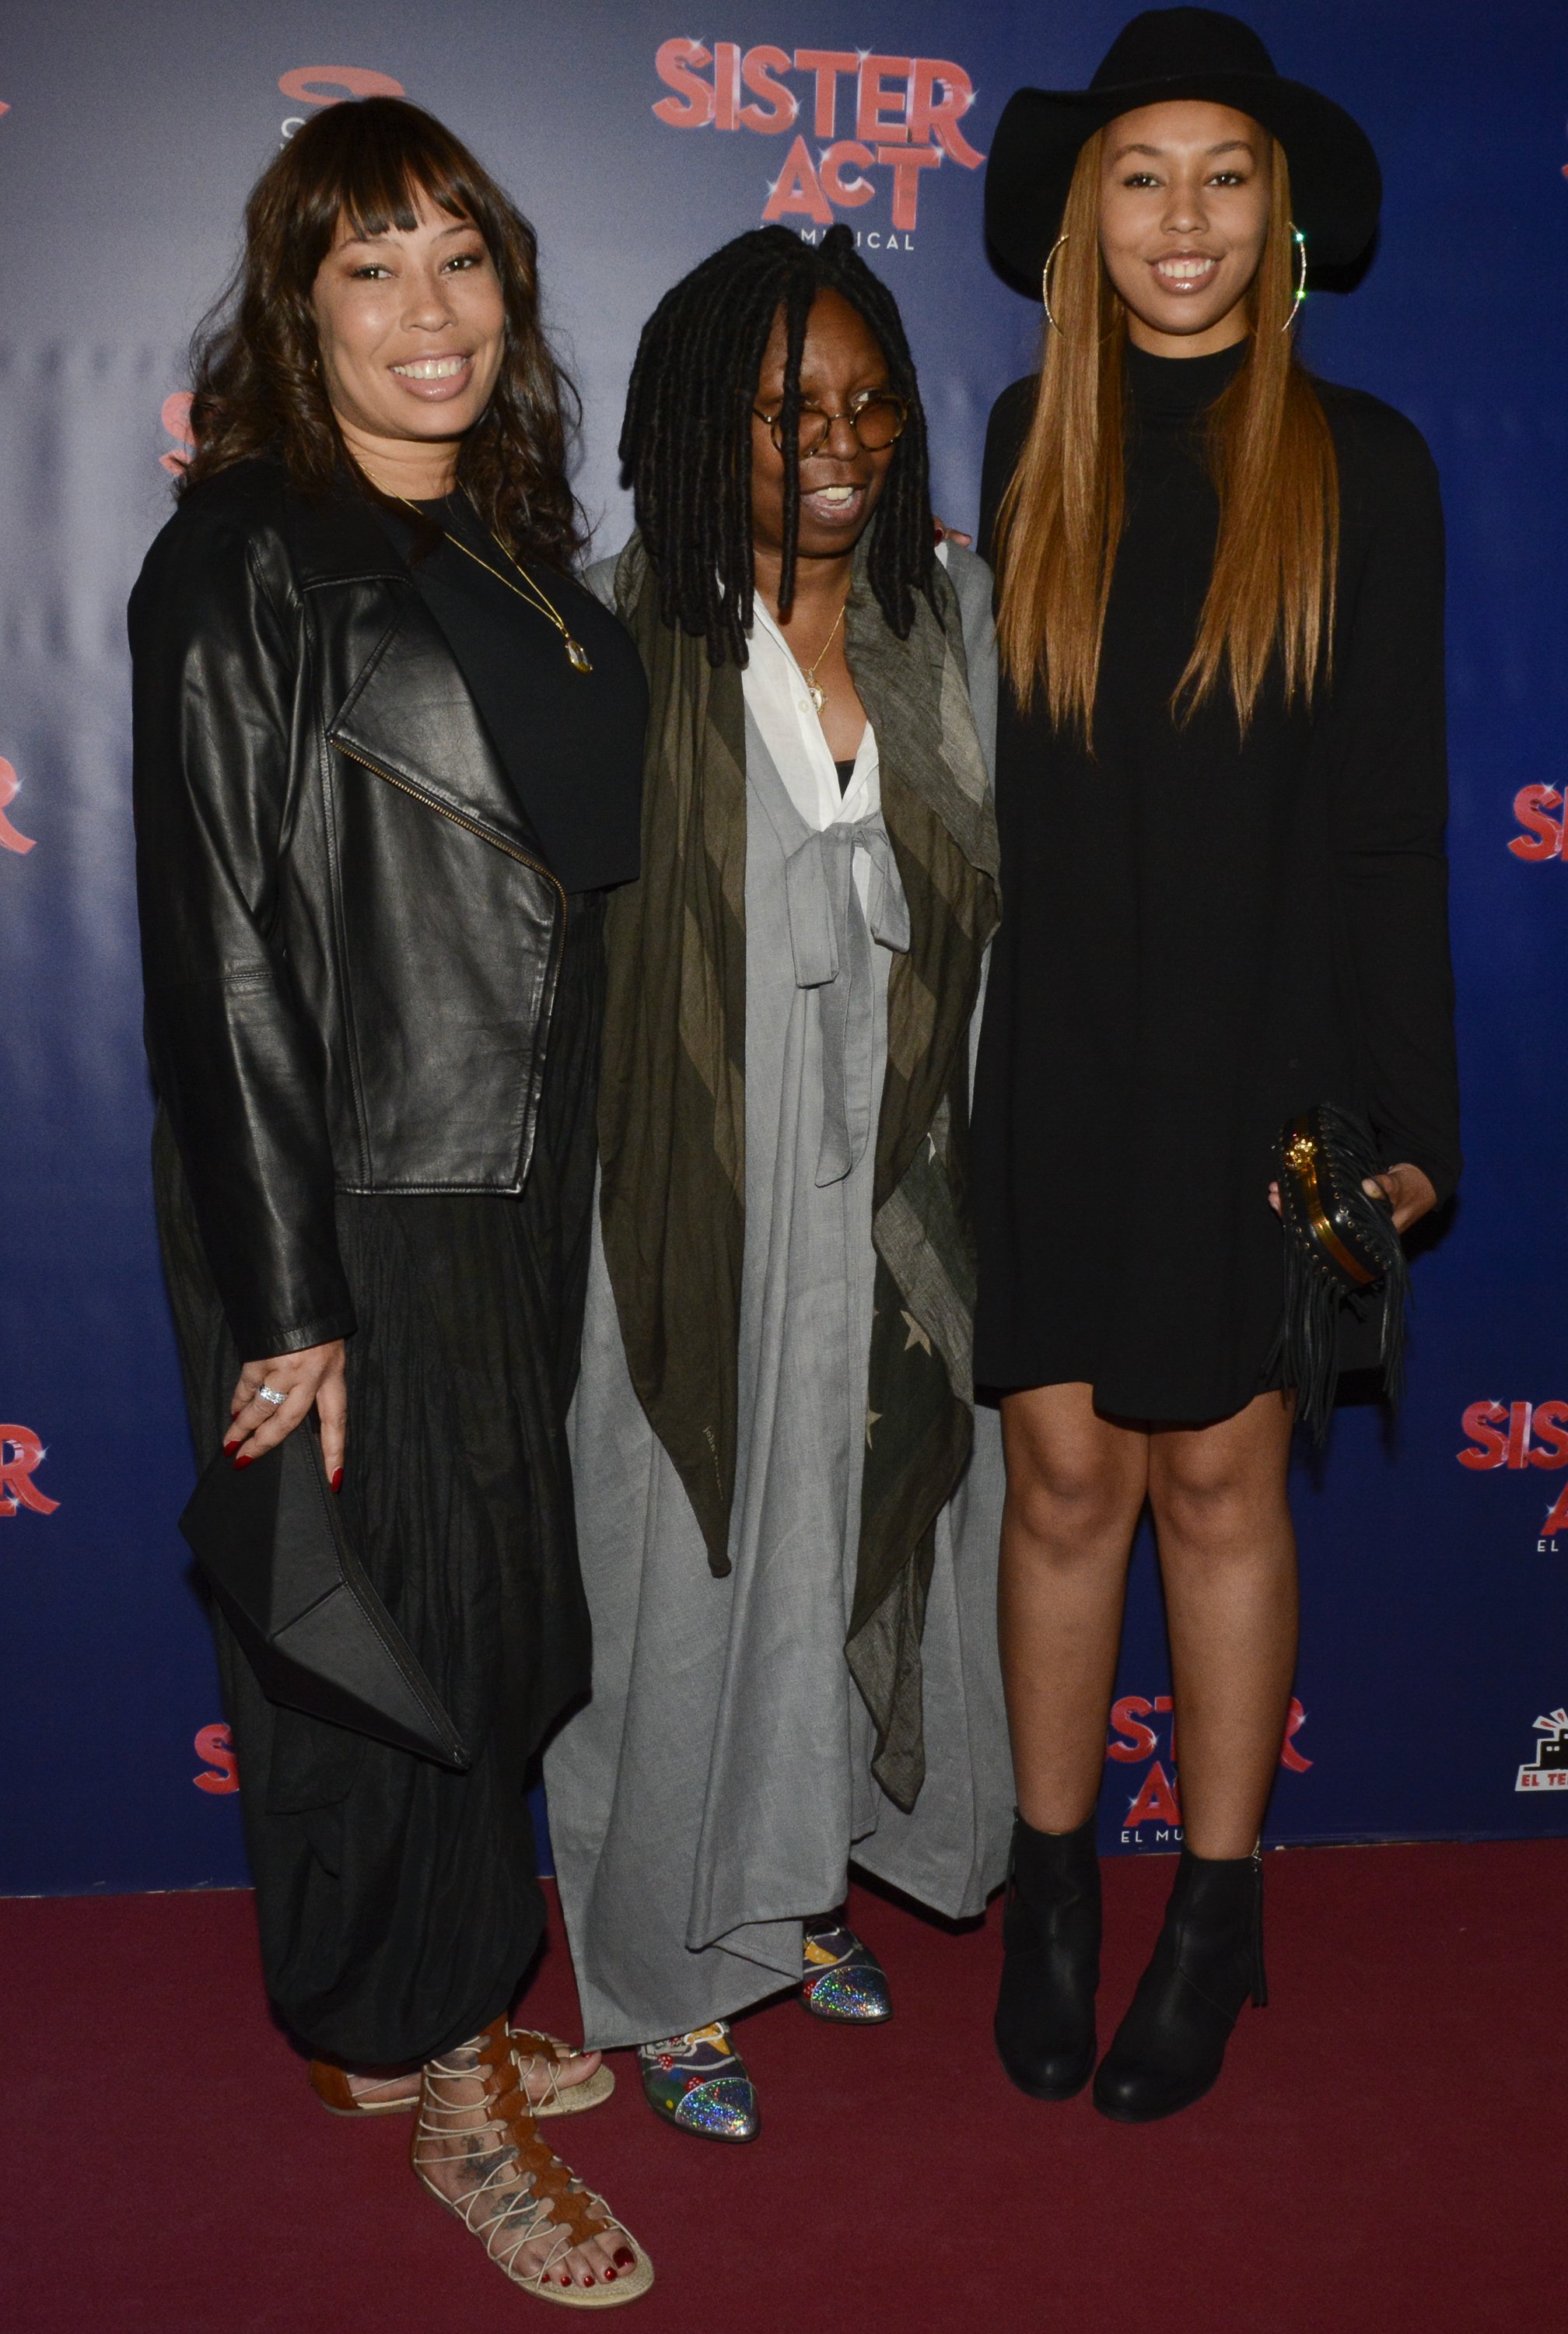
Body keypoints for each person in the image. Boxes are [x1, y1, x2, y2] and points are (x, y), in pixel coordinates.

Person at [130, 96, 654, 2302]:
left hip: (518, 1182)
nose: (427, 310)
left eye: (460, 255)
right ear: (299, 306)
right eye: (371, 267)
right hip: (350, 1188)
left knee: (471, 1620)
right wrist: (288, 1294)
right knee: (400, 1629)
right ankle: (451, 2084)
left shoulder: (523, 554)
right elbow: (223, 938)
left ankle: (389, 2015)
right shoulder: (247, 553)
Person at [973, 9, 1460, 2122]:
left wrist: (1413, 1122)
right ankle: (1055, 1887)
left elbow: (1386, 825)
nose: (1184, 220)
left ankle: (1223, 1910)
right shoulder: (1013, 446)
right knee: (1066, 1478)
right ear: (1087, 216)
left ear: (1283, 221)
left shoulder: (1366, 467)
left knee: (1220, 1482)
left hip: (1259, 1066)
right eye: (1143, 176)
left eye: (1226, 176)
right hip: (1056, 1060)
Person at [542, 223, 1011, 2140]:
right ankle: (672, 1964)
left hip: (896, 1187)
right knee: (683, 1564)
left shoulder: (945, 631)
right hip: (684, 1195)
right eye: (781, 408)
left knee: (858, 1528)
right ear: (690, 427)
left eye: (866, 399)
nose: (836, 441)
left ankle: (798, 1872)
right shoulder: (607, 632)